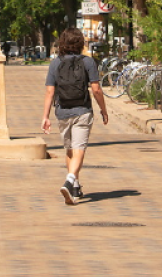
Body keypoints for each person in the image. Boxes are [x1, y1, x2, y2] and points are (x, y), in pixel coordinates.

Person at [41, 27, 108, 205]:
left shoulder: (55, 63)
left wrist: (45, 116)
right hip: (82, 110)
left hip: (62, 111)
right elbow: (96, 90)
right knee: (79, 148)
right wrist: (103, 109)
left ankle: (75, 187)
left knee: (70, 149)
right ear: (80, 43)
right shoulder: (88, 62)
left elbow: (49, 92)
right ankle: (70, 179)